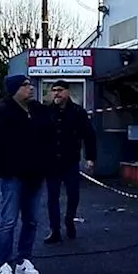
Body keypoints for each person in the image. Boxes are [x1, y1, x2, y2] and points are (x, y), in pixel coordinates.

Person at [0, 73, 49, 274]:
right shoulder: (0, 113)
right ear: (14, 89)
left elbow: (48, 137)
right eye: (25, 85)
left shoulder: (38, 111)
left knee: (31, 220)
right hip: (13, 175)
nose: (30, 88)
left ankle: (24, 260)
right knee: (9, 220)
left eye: (30, 84)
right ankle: (4, 263)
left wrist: (45, 164)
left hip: (35, 175)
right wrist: (4, 170)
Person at [44, 80, 96, 244]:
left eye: (60, 90)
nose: (57, 93)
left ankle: (69, 220)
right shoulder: (47, 112)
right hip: (52, 162)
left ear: (67, 92)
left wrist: (90, 157)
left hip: (70, 161)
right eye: (54, 90)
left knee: (73, 195)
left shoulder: (77, 112)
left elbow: (89, 135)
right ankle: (55, 230)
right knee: (52, 197)